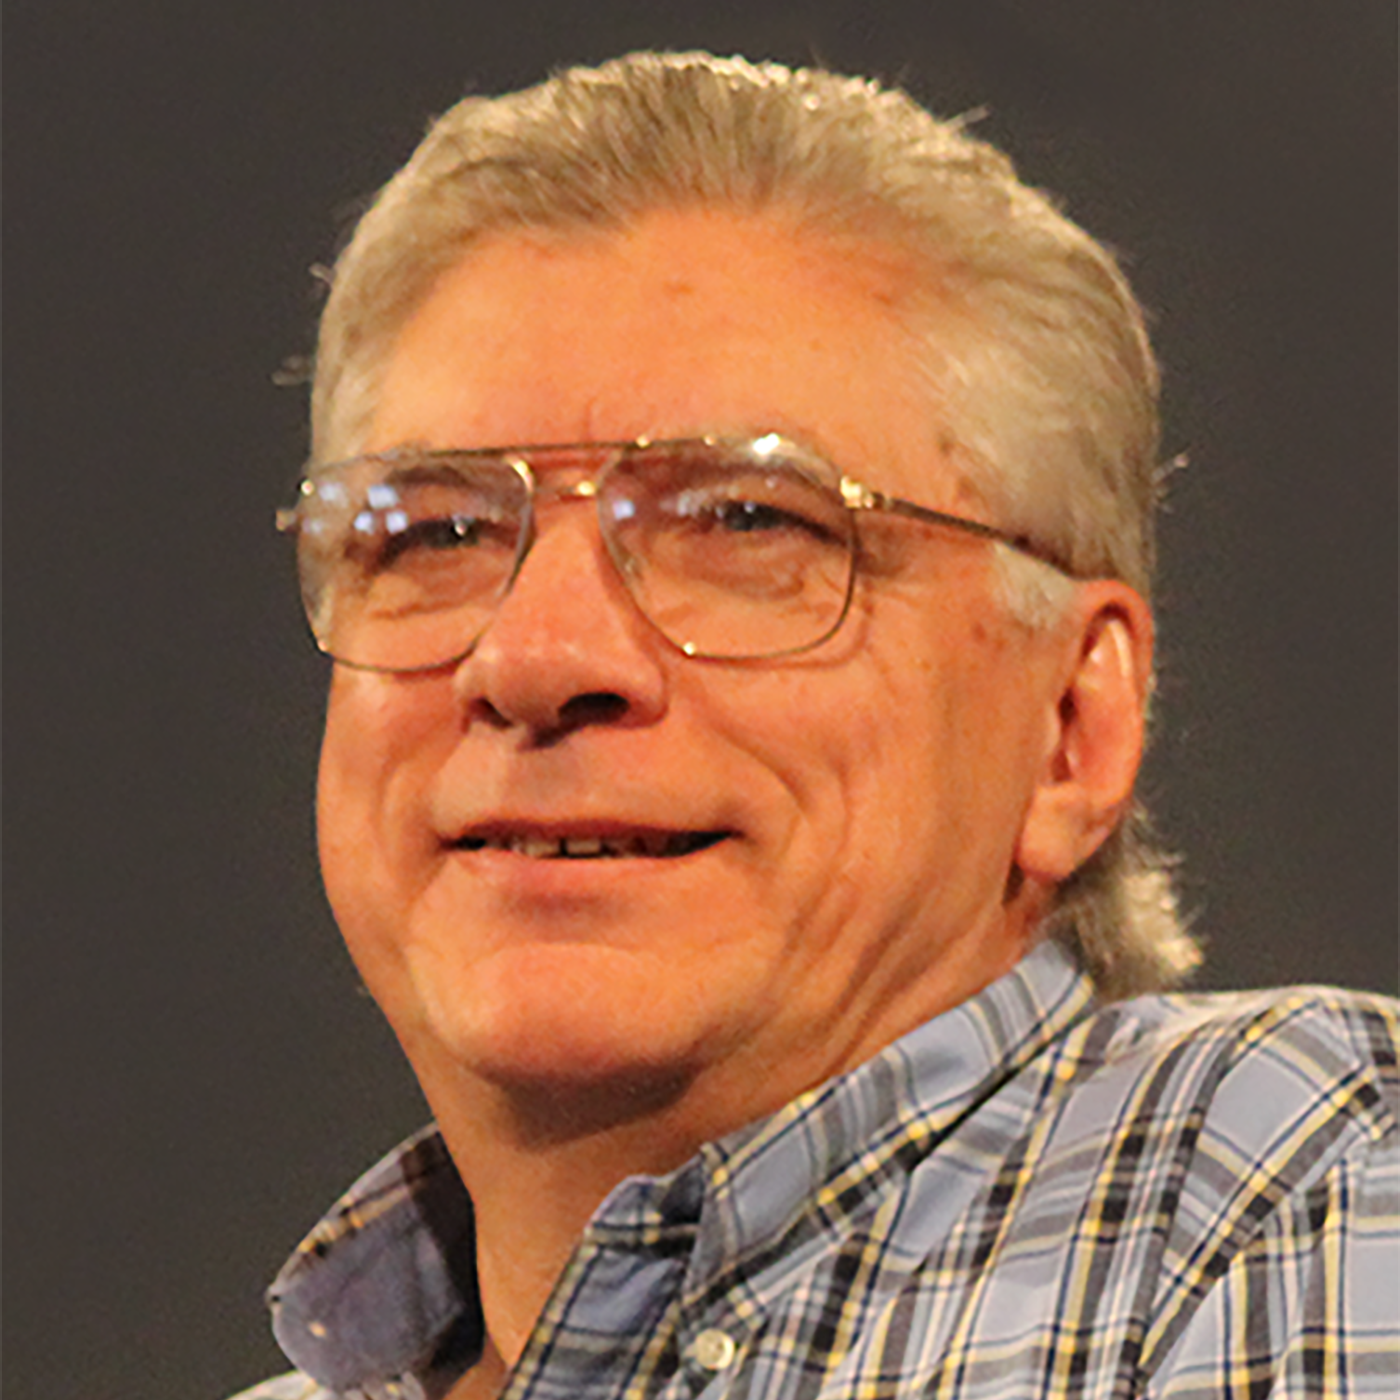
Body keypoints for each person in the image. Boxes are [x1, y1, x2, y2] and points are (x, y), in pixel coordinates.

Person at [235, 51, 1400, 1400]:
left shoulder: (1312, 1194)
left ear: (1073, 725)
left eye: (747, 523)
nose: (533, 657)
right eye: (436, 533)